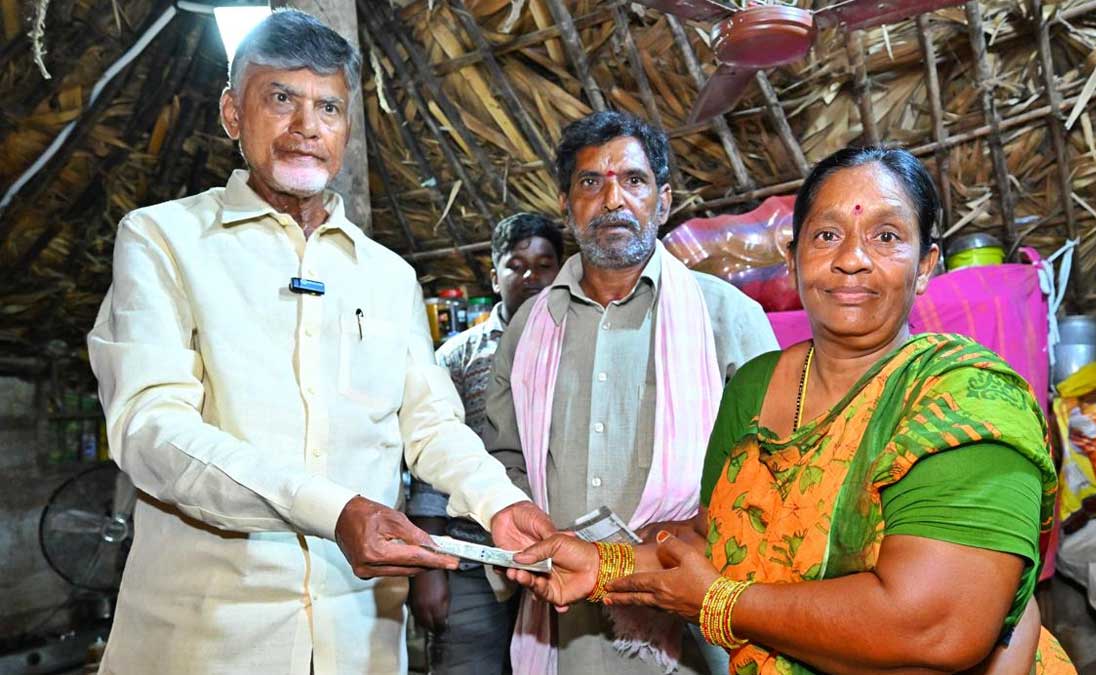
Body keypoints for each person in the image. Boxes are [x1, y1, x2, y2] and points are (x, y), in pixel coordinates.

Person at [86, 10, 551, 674]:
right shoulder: (163, 239)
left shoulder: (388, 276)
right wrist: (333, 511)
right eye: (281, 99)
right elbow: (151, 431)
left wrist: (500, 502)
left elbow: (432, 424)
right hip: (206, 639)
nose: (307, 125)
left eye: (328, 107)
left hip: (357, 641)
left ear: (346, 129)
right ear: (232, 113)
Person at [512, 146, 1077, 675]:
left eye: (885, 236)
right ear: (794, 259)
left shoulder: (964, 400)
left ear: (926, 265)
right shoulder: (755, 388)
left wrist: (723, 604)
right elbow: (715, 539)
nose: (851, 259)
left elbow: (935, 628)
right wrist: (601, 565)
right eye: (827, 235)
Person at [484, 110, 779, 674]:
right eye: (591, 182)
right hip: (561, 625)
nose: (612, 200)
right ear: (567, 206)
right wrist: (529, 537)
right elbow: (504, 458)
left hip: (695, 624)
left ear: (663, 202)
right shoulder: (530, 328)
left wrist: (677, 538)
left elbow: (771, 473)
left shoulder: (725, 316)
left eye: (634, 181)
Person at [407, 212, 565, 674]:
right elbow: (429, 464)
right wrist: (429, 569)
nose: (531, 277)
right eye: (516, 266)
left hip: (560, 551)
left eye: (544, 265)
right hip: (472, 556)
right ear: (495, 277)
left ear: (562, 272)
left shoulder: (581, 348)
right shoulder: (458, 356)